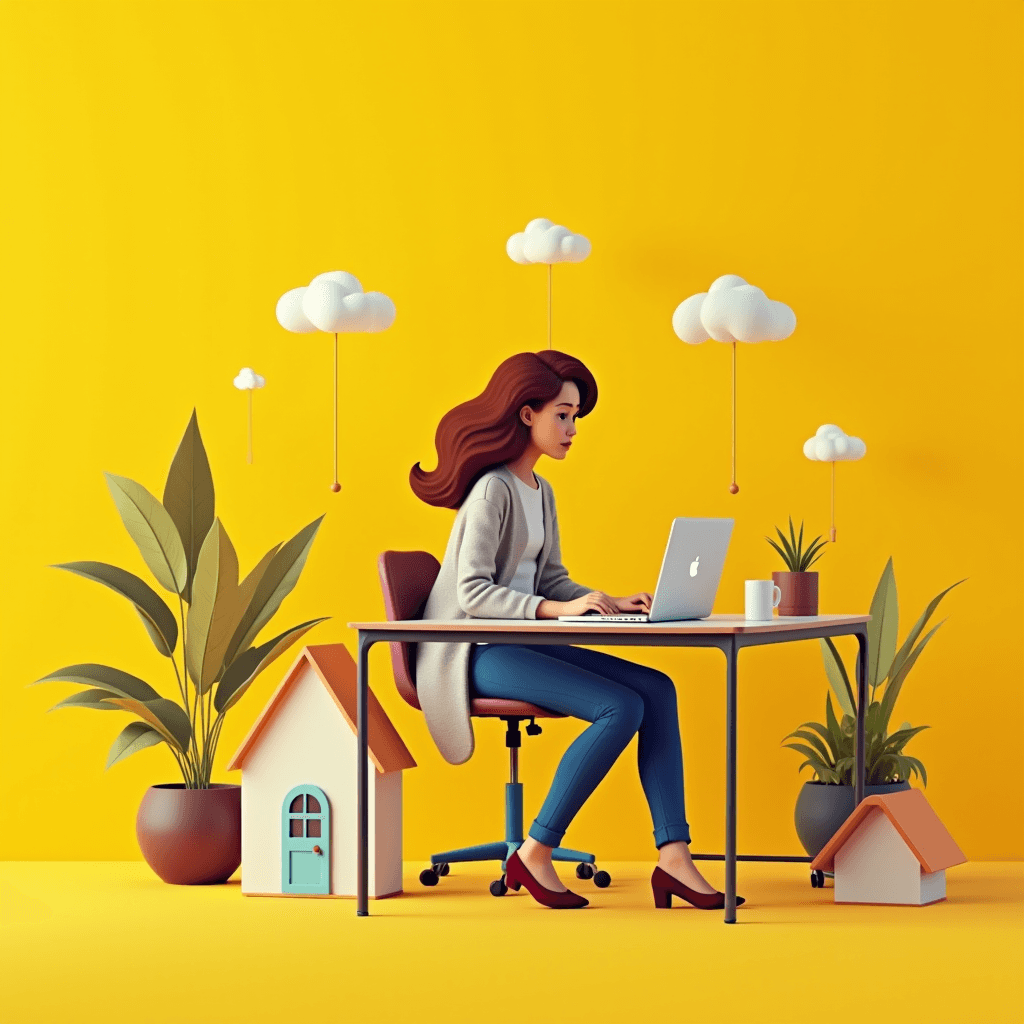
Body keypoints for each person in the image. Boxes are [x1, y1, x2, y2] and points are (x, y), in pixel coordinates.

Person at [409, 350, 744, 911]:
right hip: (476, 650)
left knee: (658, 689)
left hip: (523, 640)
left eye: (576, 418)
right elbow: (472, 593)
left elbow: (553, 578)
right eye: (562, 415)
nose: (571, 429)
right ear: (525, 415)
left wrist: (604, 602)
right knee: (621, 707)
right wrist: (557, 613)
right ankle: (536, 851)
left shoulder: (541, 492)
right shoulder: (493, 489)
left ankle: (675, 858)